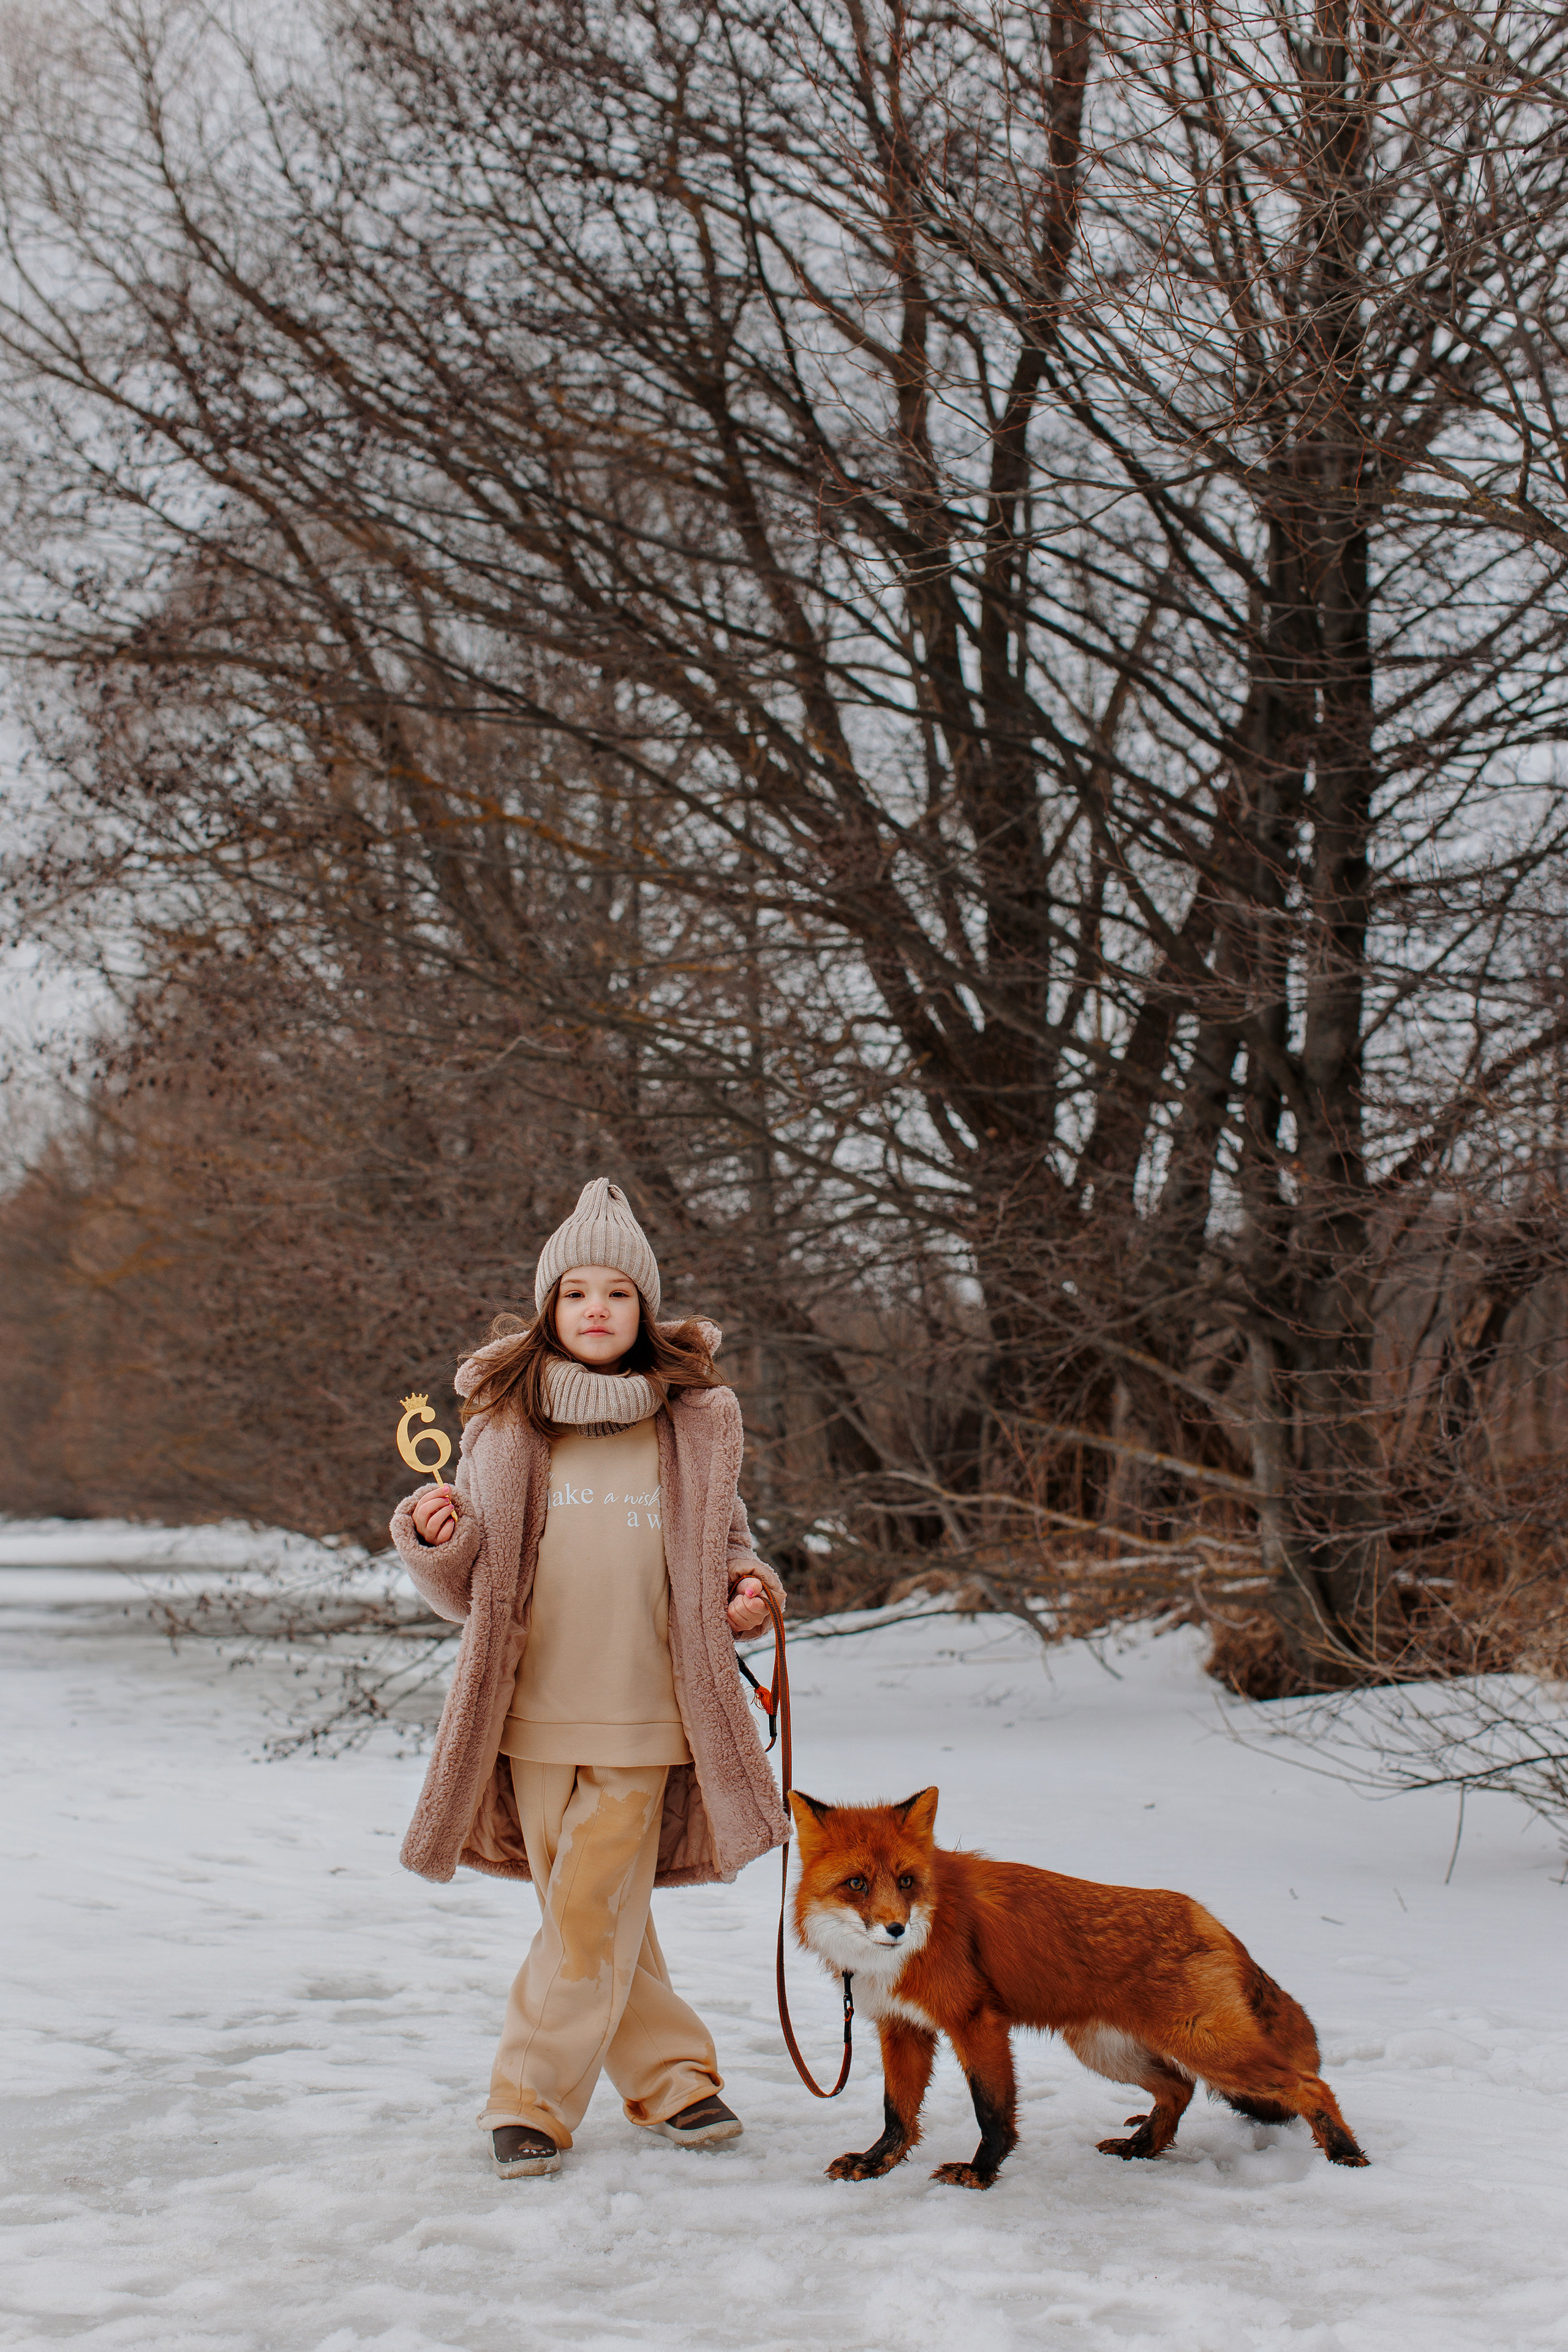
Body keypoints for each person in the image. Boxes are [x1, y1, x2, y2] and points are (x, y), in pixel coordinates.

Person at [389, 1179, 789, 2178]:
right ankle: (673, 2080)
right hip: (527, 1714)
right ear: (549, 1311)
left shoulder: (692, 1423)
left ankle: (528, 2098)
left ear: (645, 1310)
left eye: (618, 1291)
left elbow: (733, 1551)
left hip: (647, 1710)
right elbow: (467, 1587)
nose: (598, 1308)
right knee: (598, 1912)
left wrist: (751, 1594)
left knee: (584, 1910)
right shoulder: (503, 1425)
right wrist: (436, 1540)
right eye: (576, 1293)